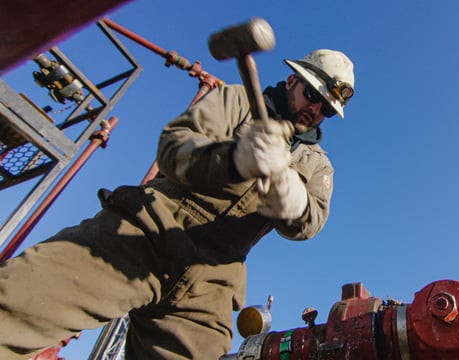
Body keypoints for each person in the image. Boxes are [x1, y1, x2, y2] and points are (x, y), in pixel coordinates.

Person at [0, 48, 355, 359]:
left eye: (325, 106)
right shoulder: (237, 102)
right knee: (17, 307)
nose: (315, 109)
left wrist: (288, 194)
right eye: (312, 94)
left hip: (212, 279)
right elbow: (173, 148)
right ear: (292, 80)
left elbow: (310, 223)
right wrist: (235, 158)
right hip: (146, 231)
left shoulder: (317, 165)